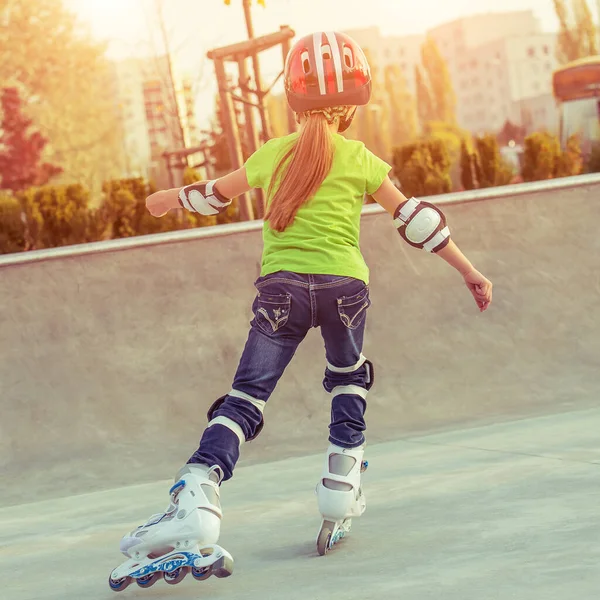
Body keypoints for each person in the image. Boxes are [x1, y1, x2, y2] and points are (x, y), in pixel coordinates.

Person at [109, 31, 492, 589]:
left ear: (292, 97)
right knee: (347, 379)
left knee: (245, 397)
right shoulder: (360, 158)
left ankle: (198, 495)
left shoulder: (272, 153)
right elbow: (415, 220)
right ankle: (341, 480)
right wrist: (469, 271)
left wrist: (171, 200)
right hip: (346, 290)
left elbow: (217, 193)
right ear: (354, 102)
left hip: (281, 293)